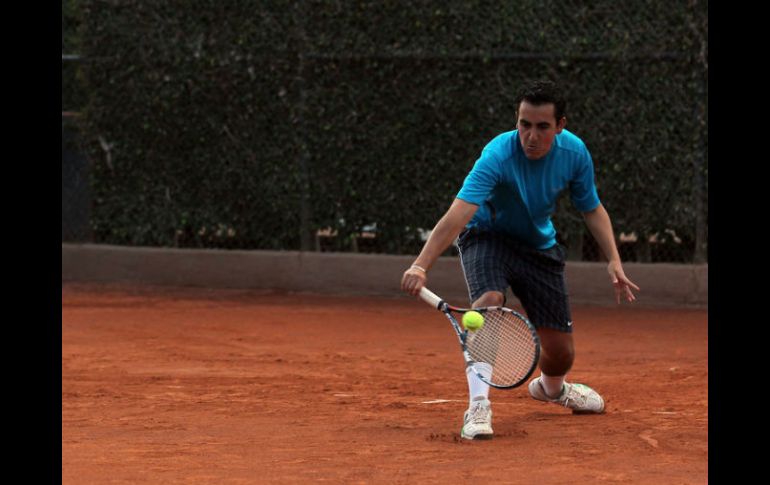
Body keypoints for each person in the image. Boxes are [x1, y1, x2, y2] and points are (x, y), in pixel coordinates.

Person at [400, 79, 639, 440]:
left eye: (542, 127)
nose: (531, 136)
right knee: (488, 304)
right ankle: (478, 405)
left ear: (560, 126)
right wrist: (421, 265)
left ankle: (552, 390)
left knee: (560, 353)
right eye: (524, 124)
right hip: (487, 236)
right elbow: (459, 213)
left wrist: (614, 259)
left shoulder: (575, 154)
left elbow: (591, 207)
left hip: (538, 246)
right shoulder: (497, 154)